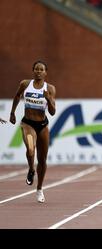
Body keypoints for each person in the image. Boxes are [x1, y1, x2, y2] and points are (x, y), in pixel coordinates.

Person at [9, 60, 56, 203]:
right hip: (27, 123)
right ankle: (31, 169)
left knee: (42, 159)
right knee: (30, 150)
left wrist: (49, 100)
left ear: (46, 72)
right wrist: (12, 113)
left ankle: (39, 189)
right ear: (33, 70)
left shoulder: (50, 88)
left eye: (41, 69)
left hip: (42, 125)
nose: (39, 71)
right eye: (36, 69)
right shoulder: (25, 84)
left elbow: (53, 112)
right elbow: (17, 96)